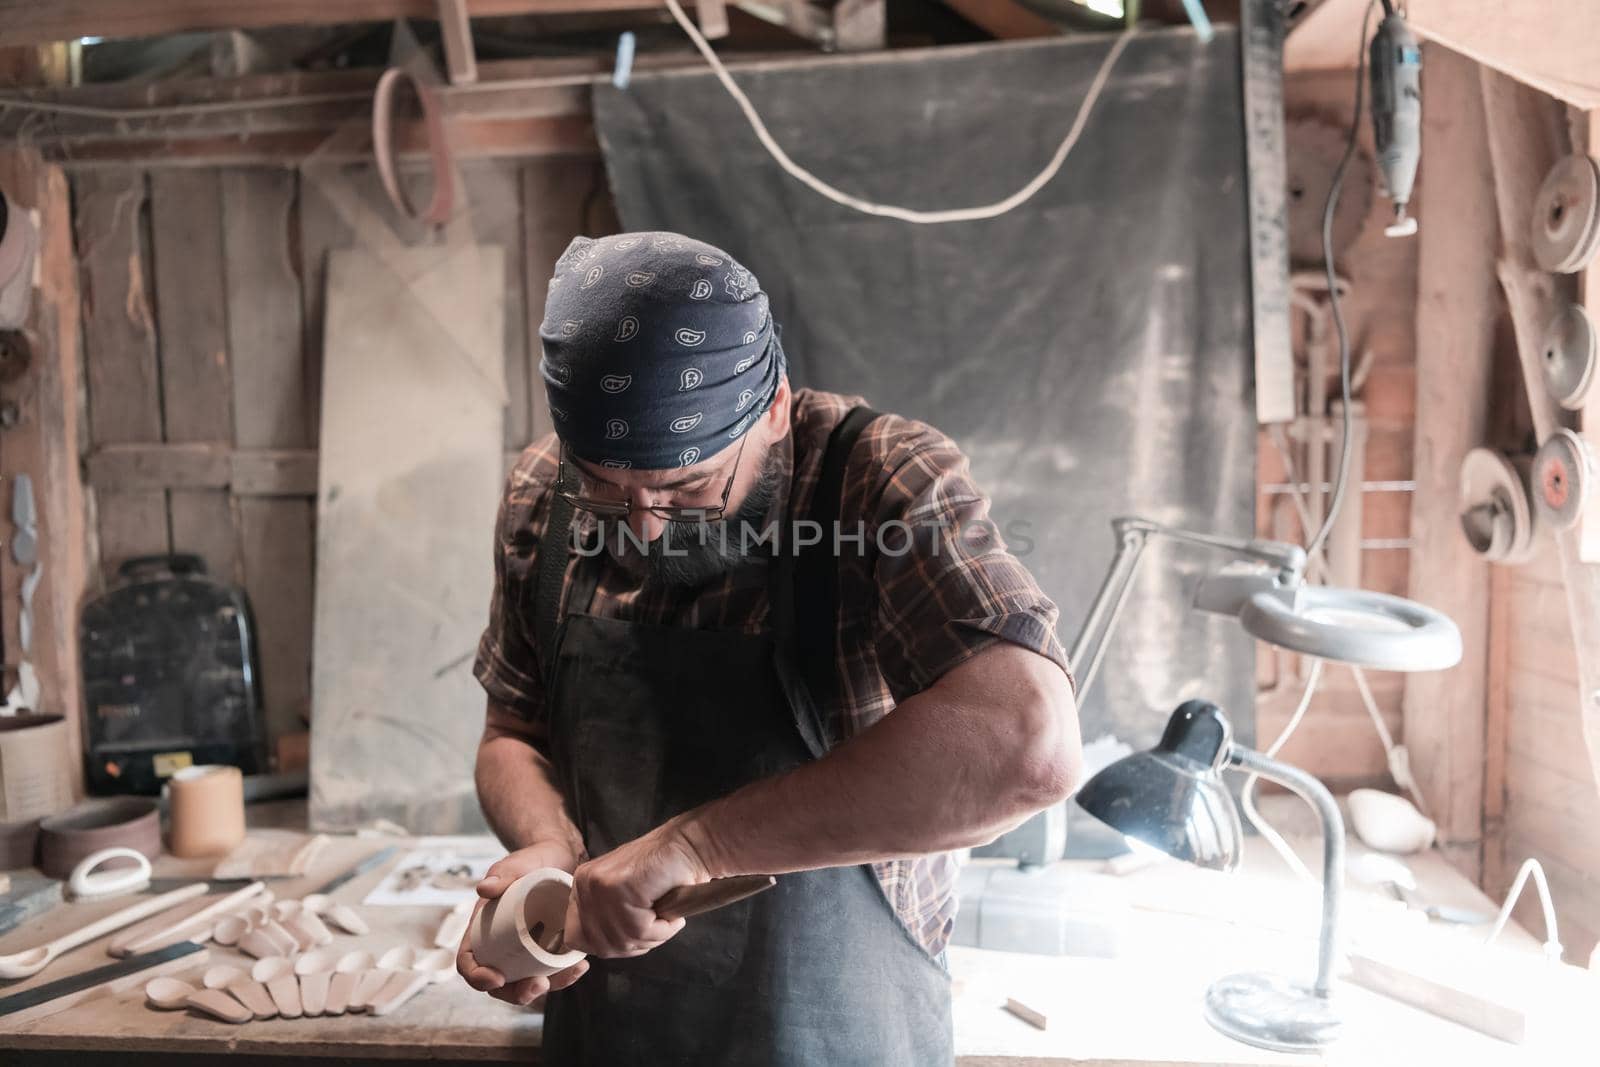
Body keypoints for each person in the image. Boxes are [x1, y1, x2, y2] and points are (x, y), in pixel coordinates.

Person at [457, 230, 1082, 1065]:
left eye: (686, 486)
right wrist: (547, 850)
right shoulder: (543, 487)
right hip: (611, 1027)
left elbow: (1028, 744)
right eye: (606, 488)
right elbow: (511, 731)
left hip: (832, 1028)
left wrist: (697, 845)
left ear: (776, 409)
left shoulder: (874, 479)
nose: (645, 526)